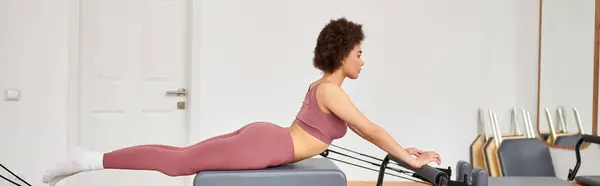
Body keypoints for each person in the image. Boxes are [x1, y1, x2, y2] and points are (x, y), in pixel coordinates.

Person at [42, 17, 441, 186]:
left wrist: (404, 151)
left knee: (179, 155)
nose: (362, 61)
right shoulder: (330, 91)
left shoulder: (329, 91)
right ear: (341, 55)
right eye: (358, 53)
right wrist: (410, 160)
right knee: (177, 162)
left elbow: (364, 130)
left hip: (266, 140)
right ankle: (87, 160)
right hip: (267, 145)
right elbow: (369, 128)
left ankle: (87, 158)